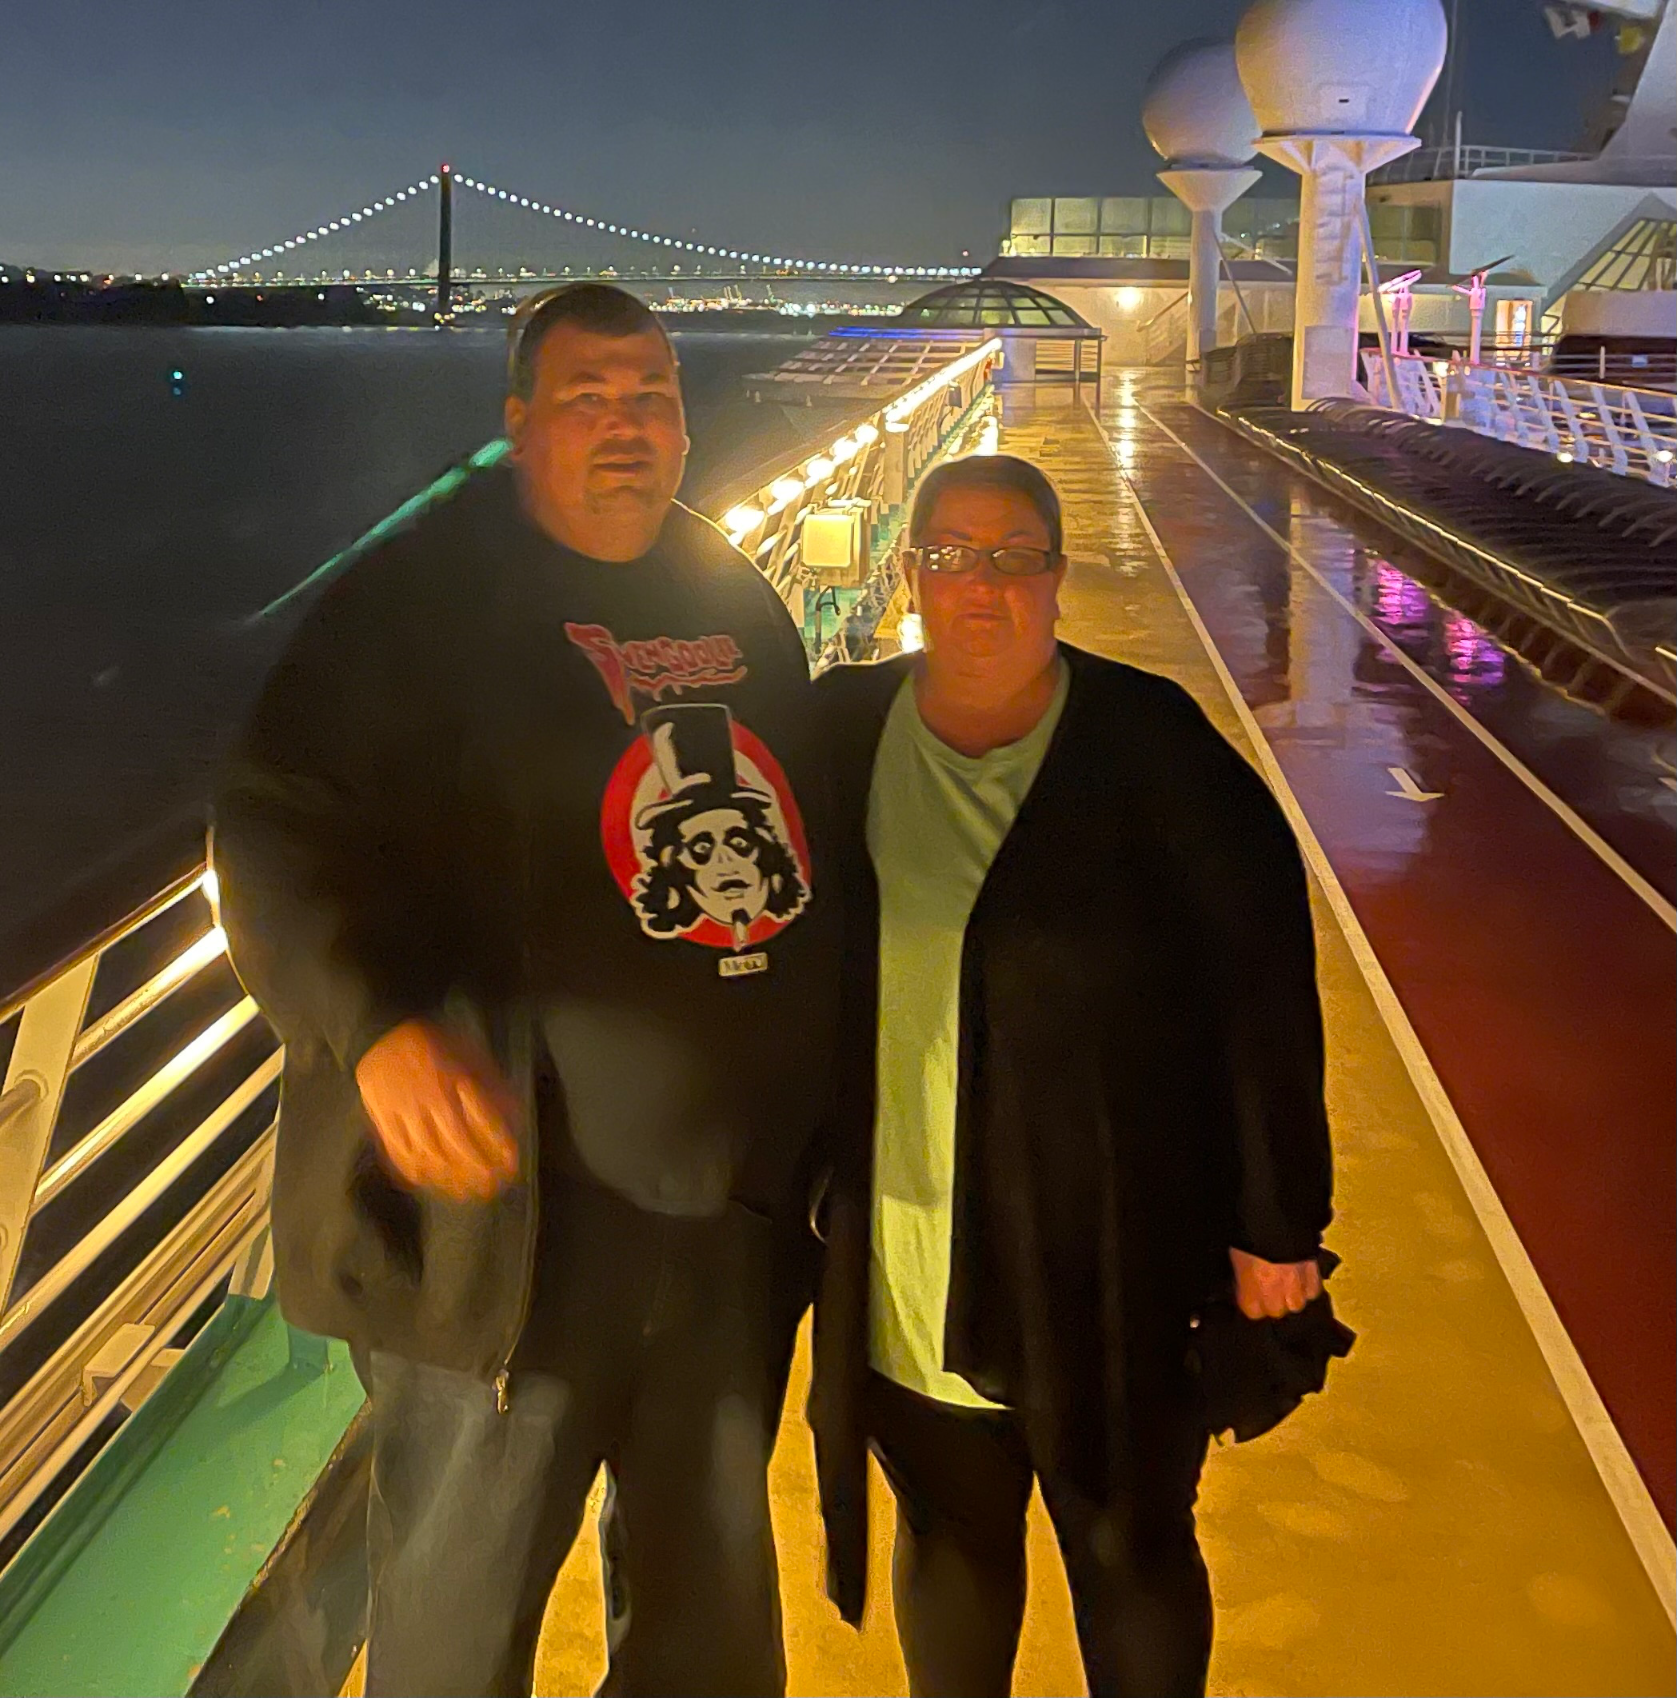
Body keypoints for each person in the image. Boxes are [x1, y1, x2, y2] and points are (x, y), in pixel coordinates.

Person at [211, 282, 835, 1697]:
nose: (627, 425)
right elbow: (269, 820)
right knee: (457, 1628)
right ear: (520, 422)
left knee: (711, 1630)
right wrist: (377, 1029)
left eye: (652, 394)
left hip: (724, 1233)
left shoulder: (732, 593)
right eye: (587, 397)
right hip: (505, 1246)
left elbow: (804, 838)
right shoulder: (415, 604)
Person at [807, 454, 1337, 1697]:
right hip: (908, 1249)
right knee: (949, 1535)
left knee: (1129, 1545)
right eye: (951, 556)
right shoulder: (841, 732)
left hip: (1109, 1251)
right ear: (908, 573)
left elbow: (1261, 984)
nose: (981, 586)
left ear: (1057, 577)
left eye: (1013, 558)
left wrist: (1278, 1224)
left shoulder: (1151, 743)